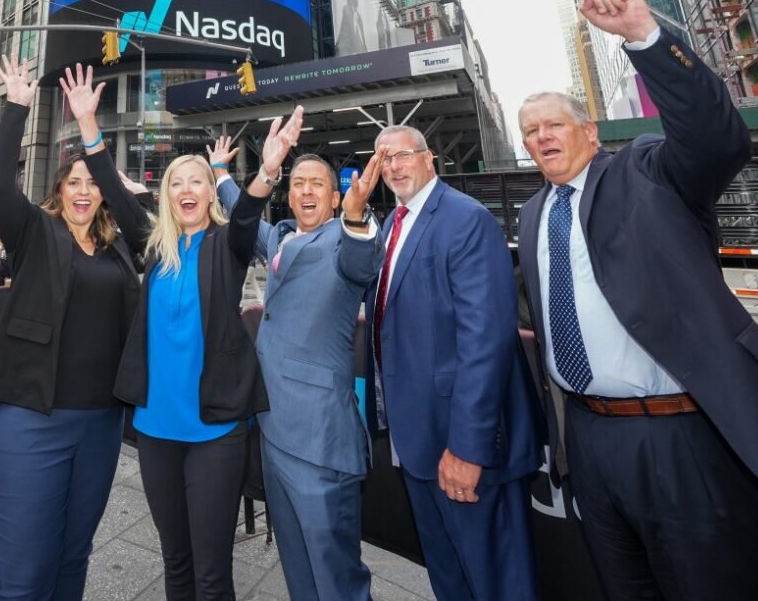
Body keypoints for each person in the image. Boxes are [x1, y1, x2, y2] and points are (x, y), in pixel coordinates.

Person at [515, 0, 758, 601]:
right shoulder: (531, 215)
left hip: (681, 437)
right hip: (591, 441)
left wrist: (645, 39)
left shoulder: (649, 172)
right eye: (529, 131)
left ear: (590, 132)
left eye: (554, 124)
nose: (542, 137)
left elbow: (716, 139)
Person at [0, 58, 149, 601]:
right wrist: (17, 107)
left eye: (91, 185)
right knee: (25, 577)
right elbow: (0, 183)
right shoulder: (35, 231)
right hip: (29, 416)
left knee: (74, 559)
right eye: (73, 183)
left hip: (98, 425)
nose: (83, 192)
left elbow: (141, 220)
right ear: (59, 189)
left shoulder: (122, 247)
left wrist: (92, 134)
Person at [367, 123, 543, 601]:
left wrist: (468, 448)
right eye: (384, 159)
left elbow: (486, 341)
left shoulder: (464, 219)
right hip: (417, 443)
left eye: (403, 155)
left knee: (495, 580)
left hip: (461, 447)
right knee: (449, 578)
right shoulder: (393, 224)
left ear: (430, 160)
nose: (394, 166)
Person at [115, 111, 287, 601]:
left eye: (197, 181)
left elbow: (249, 217)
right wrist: (87, 125)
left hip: (215, 431)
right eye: (177, 183)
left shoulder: (224, 245)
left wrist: (266, 172)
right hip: (155, 431)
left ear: (211, 192)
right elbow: (115, 191)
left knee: (212, 574)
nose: (187, 190)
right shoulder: (154, 248)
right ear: (166, 195)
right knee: (176, 562)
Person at [212, 129, 385, 601]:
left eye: (317, 184)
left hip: (319, 441)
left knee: (336, 577)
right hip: (272, 431)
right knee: (297, 570)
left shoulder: (342, 241)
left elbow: (362, 260)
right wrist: (221, 172)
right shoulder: (283, 240)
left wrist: (356, 218)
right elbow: (245, 214)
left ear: (334, 196)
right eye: (299, 183)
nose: (306, 191)